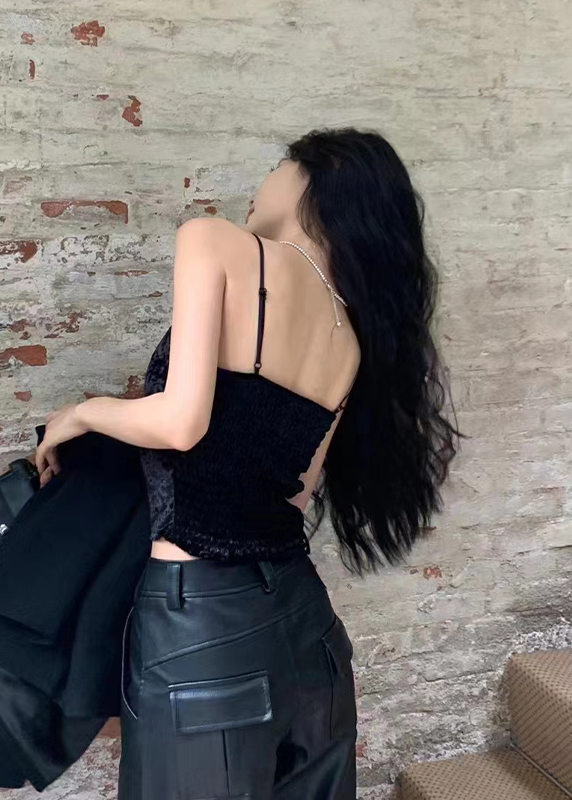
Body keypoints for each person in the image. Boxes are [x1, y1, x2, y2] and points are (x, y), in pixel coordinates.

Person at [34, 126, 464, 799]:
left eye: (277, 166)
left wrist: (82, 414)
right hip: (307, 633)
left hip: (202, 626)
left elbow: (179, 423)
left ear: (313, 180)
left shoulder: (216, 242)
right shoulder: (349, 339)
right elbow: (296, 493)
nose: (261, 185)